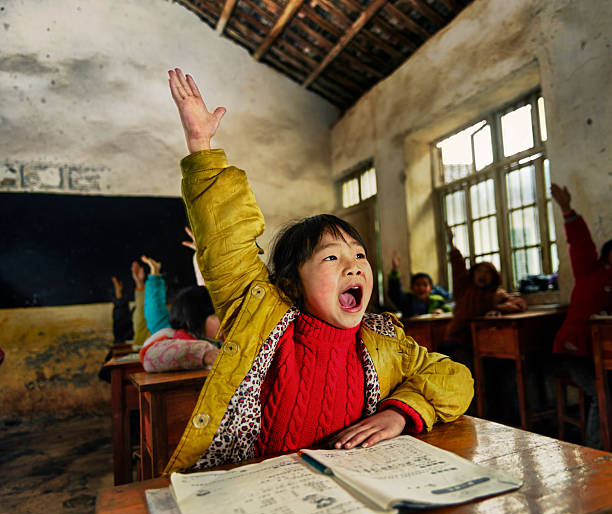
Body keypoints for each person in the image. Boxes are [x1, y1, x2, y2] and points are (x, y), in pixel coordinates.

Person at [162, 68, 474, 473]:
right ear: (292, 281)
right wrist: (201, 147)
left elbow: (456, 379)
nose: (353, 266)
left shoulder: (384, 344)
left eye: (359, 256)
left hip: (348, 491)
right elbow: (227, 241)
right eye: (331, 258)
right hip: (264, 490)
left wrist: (401, 412)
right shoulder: (261, 320)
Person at [549, 183, 612, 448]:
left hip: (604, 356)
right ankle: (598, 454)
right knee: (604, 395)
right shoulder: (591, 272)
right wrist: (567, 209)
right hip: (575, 353)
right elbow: (580, 242)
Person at [442, 224, 526, 369]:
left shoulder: (495, 294)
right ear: (473, 275)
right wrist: (451, 243)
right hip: (456, 341)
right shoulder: (464, 290)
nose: (482, 275)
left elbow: (519, 303)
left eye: (487, 272)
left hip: (477, 344)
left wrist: (498, 308)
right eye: (479, 271)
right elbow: (458, 267)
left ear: (493, 277)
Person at [139, 255, 221, 373]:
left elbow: (205, 295)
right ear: (191, 320)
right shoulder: (172, 338)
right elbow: (150, 358)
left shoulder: (216, 337)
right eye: (214, 316)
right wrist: (203, 353)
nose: (223, 320)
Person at [388, 251, 451, 317]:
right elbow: (395, 293)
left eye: (425, 285)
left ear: (431, 288)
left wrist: (442, 311)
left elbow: (448, 308)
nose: (421, 288)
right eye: (417, 285)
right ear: (411, 288)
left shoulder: (437, 300)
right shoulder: (407, 301)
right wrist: (394, 271)